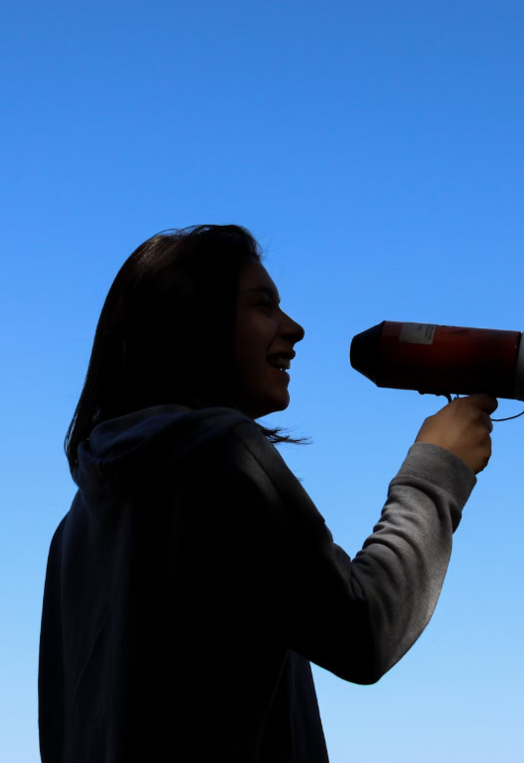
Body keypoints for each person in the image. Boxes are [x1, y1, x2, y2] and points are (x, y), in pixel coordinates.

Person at [38, 225, 497, 762]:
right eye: (263, 305)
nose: (295, 328)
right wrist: (437, 470)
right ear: (192, 320)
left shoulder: (73, 533)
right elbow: (365, 630)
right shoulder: (218, 451)